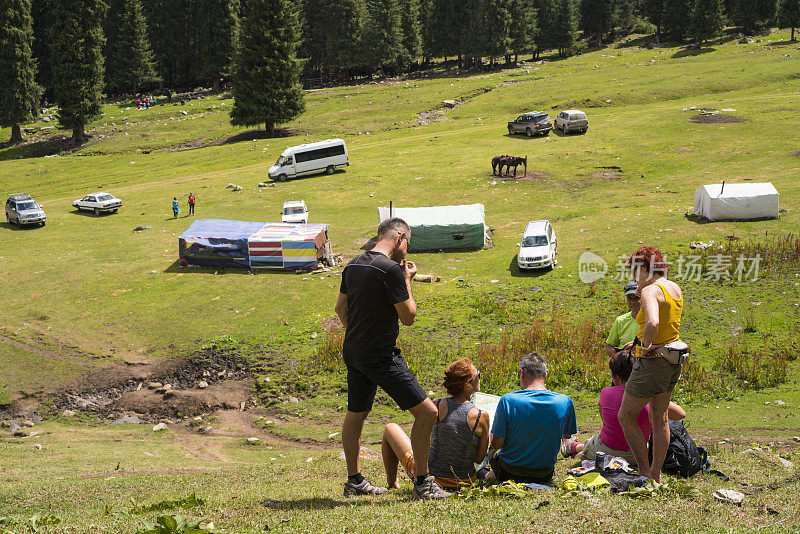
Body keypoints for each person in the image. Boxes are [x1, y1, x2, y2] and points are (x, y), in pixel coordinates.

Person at [335, 218, 449, 499]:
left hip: (354, 351)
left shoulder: (353, 265)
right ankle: (423, 484)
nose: (407, 249)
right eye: (407, 242)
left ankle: (355, 481)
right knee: (428, 413)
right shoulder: (390, 270)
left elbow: (340, 309)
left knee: (356, 413)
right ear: (399, 237)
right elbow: (408, 317)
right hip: (381, 356)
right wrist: (408, 280)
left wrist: (361, 333)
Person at [618, 246, 683, 482]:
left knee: (625, 416)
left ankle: (644, 472)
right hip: (672, 360)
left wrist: (643, 347)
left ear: (646, 268)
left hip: (652, 362)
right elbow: (664, 322)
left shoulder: (650, 291)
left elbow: (653, 322)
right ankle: (655, 474)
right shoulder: (673, 287)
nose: (635, 278)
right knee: (660, 417)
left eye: (636, 272)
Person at [381, 358, 490, 491]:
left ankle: (392, 484)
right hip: (464, 482)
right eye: (477, 375)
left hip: (431, 478)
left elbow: (427, 443)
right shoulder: (481, 416)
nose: (479, 378)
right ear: (468, 383)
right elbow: (479, 459)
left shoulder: (436, 405)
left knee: (390, 428)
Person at [564, 351, 685, 465]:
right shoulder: (649, 396)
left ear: (616, 376)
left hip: (606, 449)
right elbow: (681, 414)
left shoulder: (606, 392)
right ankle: (576, 449)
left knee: (592, 443)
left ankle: (573, 447)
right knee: (594, 444)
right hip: (638, 455)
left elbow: (605, 421)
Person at [486, 353, 577, 484]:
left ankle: (485, 474)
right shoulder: (565, 402)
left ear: (521, 373)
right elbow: (567, 436)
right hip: (544, 474)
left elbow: (496, 444)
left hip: (509, 472)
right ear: (545, 375)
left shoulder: (508, 400)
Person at [605, 282, 641, 358]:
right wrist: (617, 357)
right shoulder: (620, 320)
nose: (633, 302)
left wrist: (638, 346)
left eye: (636, 298)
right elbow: (609, 346)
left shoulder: (651, 320)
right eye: (629, 298)